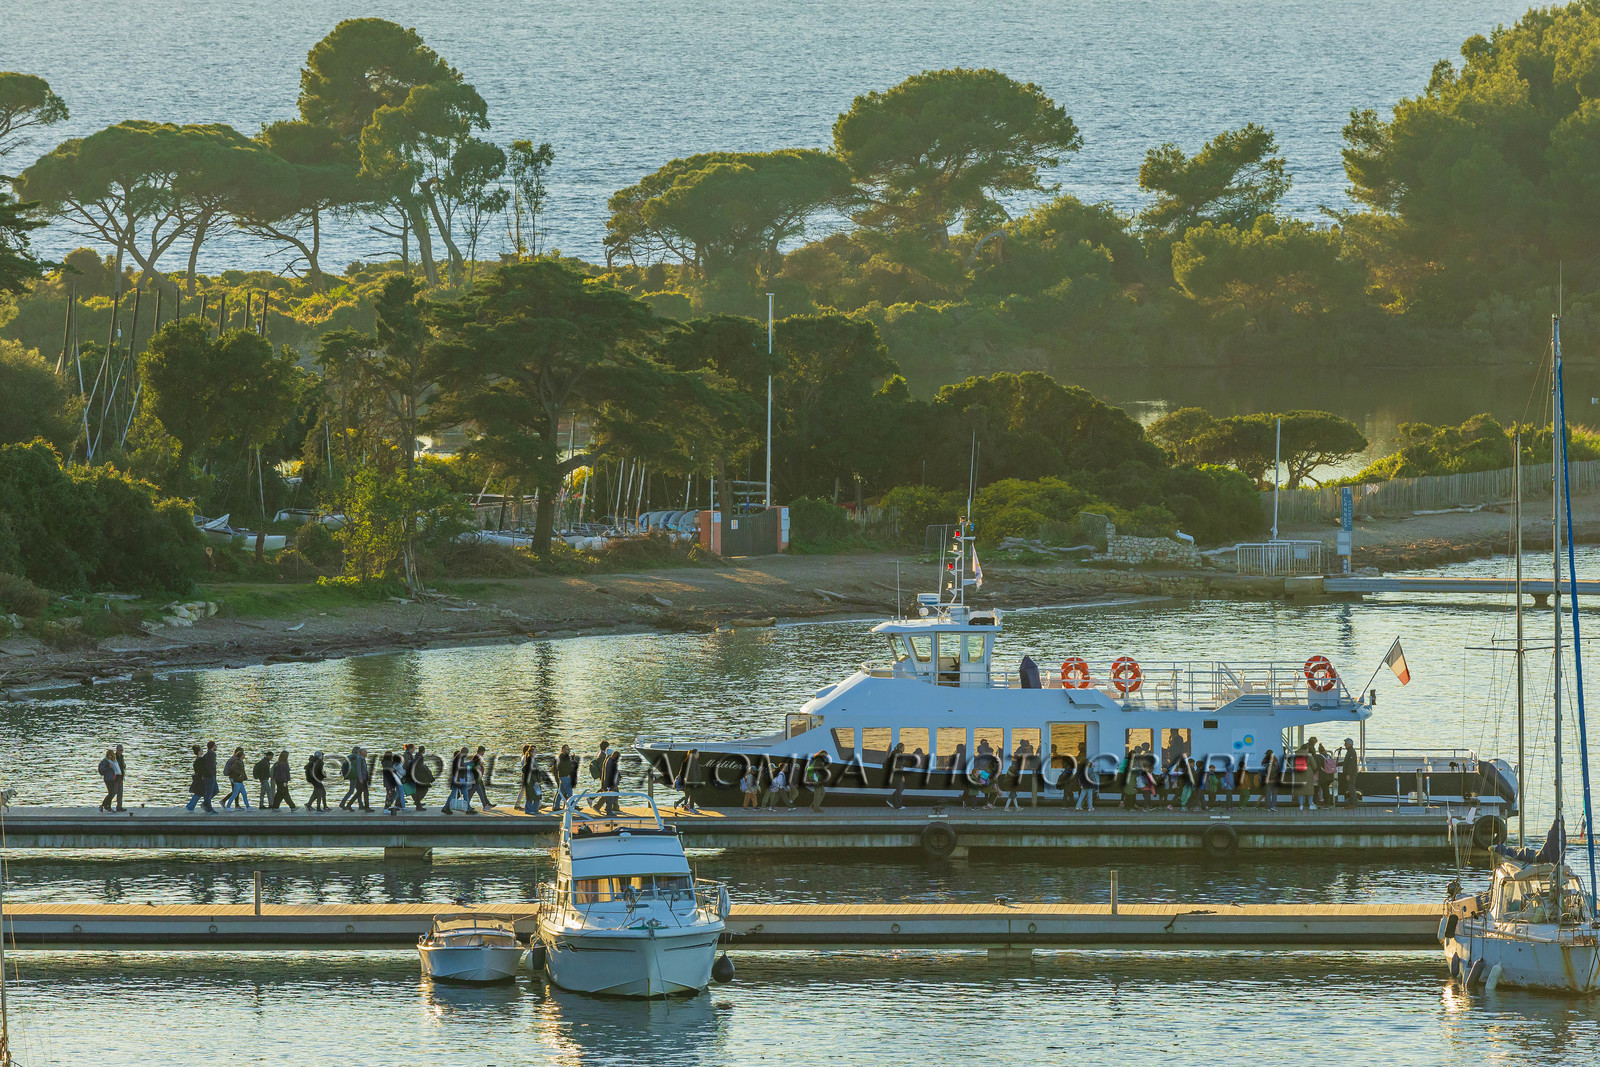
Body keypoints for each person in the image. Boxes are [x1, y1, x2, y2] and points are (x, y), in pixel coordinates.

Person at [185, 745, 209, 813]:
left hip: (198, 778)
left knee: (199, 793)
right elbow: (202, 769)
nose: (202, 751)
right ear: (199, 752)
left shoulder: (197, 759)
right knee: (199, 793)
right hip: (201, 779)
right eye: (201, 750)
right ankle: (190, 806)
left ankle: (190, 806)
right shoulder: (201, 760)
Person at [522, 746, 543, 815]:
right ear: (531, 753)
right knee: (530, 797)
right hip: (531, 782)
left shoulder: (533, 760)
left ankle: (535, 809)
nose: (536, 753)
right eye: (534, 752)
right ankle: (528, 810)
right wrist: (535, 780)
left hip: (534, 781)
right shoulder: (529, 761)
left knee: (537, 796)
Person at [469, 746, 492, 811]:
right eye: (483, 752)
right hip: (476, 778)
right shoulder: (477, 757)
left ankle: (485, 805)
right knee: (477, 792)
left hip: (476, 778)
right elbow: (474, 767)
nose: (484, 753)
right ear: (481, 751)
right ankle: (485, 805)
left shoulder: (476, 756)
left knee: (475, 792)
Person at [601, 745, 621, 815]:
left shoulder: (610, 761)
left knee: (614, 796)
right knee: (611, 797)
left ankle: (612, 808)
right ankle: (609, 810)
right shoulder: (611, 763)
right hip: (611, 783)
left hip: (611, 783)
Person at [886, 743, 907, 809]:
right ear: (900, 748)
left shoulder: (894, 753)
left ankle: (890, 800)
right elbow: (899, 766)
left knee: (900, 788)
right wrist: (902, 776)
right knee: (900, 788)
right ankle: (898, 805)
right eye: (903, 747)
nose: (904, 749)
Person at [1340, 738, 1359, 807]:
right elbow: (1346, 762)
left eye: (1346, 743)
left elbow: (1351, 764)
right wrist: (1337, 764)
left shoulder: (1351, 752)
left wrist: (1348, 774)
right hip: (1350, 773)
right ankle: (1352, 801)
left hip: (1351, 773)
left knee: (1351, 787)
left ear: (1349, 744)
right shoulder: (1349, 751)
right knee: (1350, 787)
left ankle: (1353, 803)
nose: (1344, 745)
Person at [109, 745, 125, 811]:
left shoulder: (121, 757)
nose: (121, 752)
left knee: (120, 792)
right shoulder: (114, 757)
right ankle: (107, 804)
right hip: (115, 778)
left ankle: (119, 807)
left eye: (122, 750)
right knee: (114, 792)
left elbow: (122, 765)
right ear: (117, 750)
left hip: (120, 777)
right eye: (120, 750)